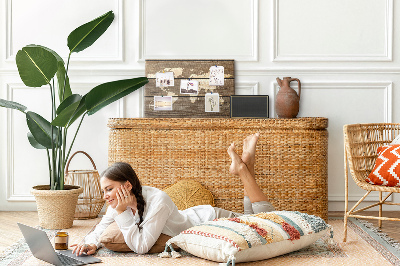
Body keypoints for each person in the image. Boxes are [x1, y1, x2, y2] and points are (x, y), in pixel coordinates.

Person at [71, 133, 274, 255]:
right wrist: (89, 243)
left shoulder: (157, 200)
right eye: (104, 191)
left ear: (127, 186)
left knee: (266, 224)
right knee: (253, 220)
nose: (105, 196)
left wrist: (123, 213)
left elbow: (141, 247)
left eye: (109, 189)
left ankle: (243, 169)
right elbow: (102, 227)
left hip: (212, 220)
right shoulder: (119, 205)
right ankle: (246, 166)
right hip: (199, 217)